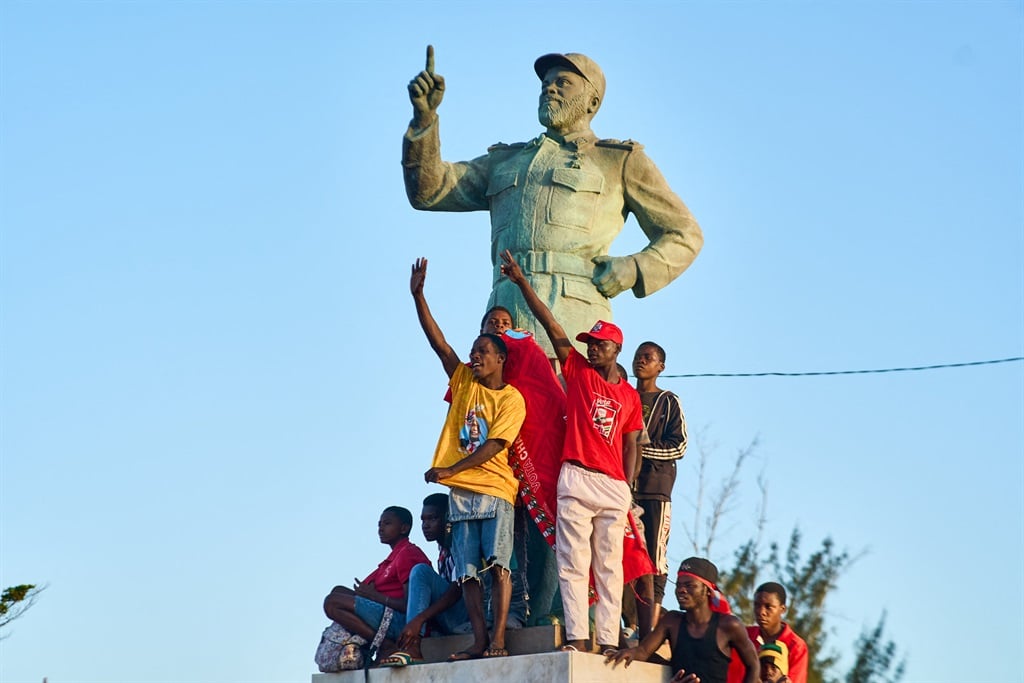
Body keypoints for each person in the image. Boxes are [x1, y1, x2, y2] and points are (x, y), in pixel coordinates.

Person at [403, 46, 704, 358]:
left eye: (563, 83)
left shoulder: (617, 161)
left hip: (572, 326)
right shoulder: (507, 161)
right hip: (504, 328)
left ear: (592, 101)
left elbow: (685, 234)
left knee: (563, 406)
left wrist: (634, 268)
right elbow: (429, 190)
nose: (549, 88)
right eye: (546, 83)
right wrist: (425, 118)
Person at [500, 249, 643, 655]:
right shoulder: (577, 371)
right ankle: (580, 639)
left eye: (599, 344)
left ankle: (609, 640)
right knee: (572, 563)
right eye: (590, 343)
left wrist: (628, 484)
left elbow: (632, 440)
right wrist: (522, 282)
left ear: (615, 350)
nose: (591, 348)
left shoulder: (630, 396)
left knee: (609, 567)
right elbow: (551, 323)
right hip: (576, 475)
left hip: (613, 485)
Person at [411, 258, 527, 660]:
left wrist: (450, 469)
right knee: (467, 573)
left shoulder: (511, 397)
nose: (474, 356)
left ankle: (497, 639)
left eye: (482, 351)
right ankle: (478, 640)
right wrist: (418, 296)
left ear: (500, 359)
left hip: (494, 489)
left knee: (499, 566)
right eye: (474, 350)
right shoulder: (463, 382)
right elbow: (438, 344)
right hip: (462, 493)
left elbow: (496, 445)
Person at [607, 557, 759, 683]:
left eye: (689, 585)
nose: (681, 590)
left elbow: (753, 665)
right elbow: (643, 651)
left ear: (707, 590)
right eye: (679, 585)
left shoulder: (729, 625)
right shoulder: (671, 621)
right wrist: (625, 651)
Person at [629, 341, 688, 636]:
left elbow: (680, 445)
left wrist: (640, 450)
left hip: (655, 491)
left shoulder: (668, 401)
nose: (641, 361)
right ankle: (626, 622)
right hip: (623, 489)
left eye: (648, 357)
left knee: (653, 557)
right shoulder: (624, 394)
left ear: (660, 367)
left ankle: (648, 628)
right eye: (638, 356)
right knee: (622, 553)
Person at [322, 506, 430, 665]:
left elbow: (408, 605)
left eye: (387, 523)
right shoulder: (393, 558)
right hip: (384, 612)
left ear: (404, 528)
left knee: (332, 602)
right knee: (338, 591)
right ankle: (372, 645)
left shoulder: (408, 553)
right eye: (379, 524)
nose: (380, 528)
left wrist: (373, 596)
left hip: (400, 621)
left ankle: (386, 645)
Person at [382, 494, 470, 667]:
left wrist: (419, 619)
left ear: (448, 519)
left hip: (466, 617)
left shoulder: (460, 543)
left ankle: (413, 647)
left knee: (421, 571)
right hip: (446, 619)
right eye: (423, 520)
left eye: (433, 518)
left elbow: (455, 591)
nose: (425, 525)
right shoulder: (442, 550)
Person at [727, 582, 808, 683]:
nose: (761, 612)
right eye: (757, 605)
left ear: (782, 609)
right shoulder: (742, 635)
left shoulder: (796, 647)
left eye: (768, 607)